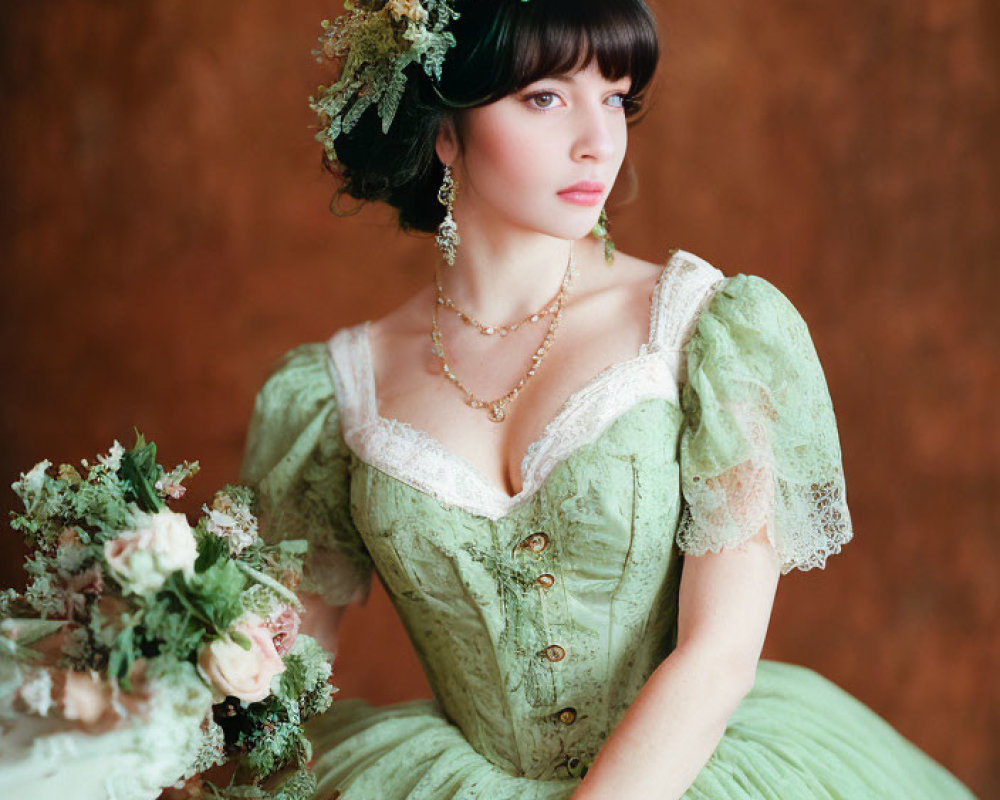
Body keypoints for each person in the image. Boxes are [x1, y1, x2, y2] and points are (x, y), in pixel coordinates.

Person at [239, 1, 979, 798]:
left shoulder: (707, 331)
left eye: (617, 96)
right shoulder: (336, 390)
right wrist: (162, 672)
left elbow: (719, 654)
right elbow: (281, 669)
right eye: (546, 97)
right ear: (443, 131)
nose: (599, 141)